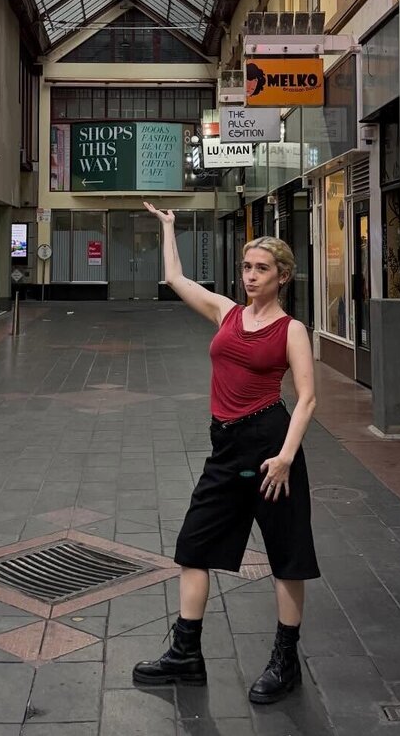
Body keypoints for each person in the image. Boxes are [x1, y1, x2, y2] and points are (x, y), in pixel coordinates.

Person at [132, 201, 320, 704]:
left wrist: (285, 457)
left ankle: (285, 661)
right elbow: (176, 279)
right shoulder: (227, 313)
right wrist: (168, 228)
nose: (250, 276)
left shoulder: (291, 330)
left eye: (261, 269)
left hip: (270, 447)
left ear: (282, 276)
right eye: (246, 267)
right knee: (193, 546)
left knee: (287, 555)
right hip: (226, 446)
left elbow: (307, 398)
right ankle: (185, 656)